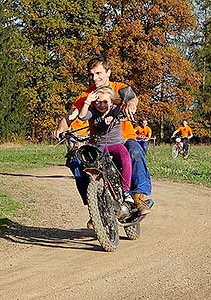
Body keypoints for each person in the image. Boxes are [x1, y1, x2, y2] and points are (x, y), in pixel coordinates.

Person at [54, 56, 151, 224]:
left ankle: (138, 197)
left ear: (108, 72)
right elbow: (71, 116)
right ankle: (95, 207)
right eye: (92, 74)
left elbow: (132, 96)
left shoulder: (118, 88)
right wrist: (60, 130)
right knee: (76, 161)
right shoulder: (86, 95)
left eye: (99, 73)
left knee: (135, 151)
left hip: (124, 138)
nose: (95, 78)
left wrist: (130, 103)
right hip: (98, 141)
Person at [78, 86, 138, 212]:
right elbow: (82, 116)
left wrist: (119, 115)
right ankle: (97, 198)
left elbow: (126, 113)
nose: (101, 105)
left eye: (105, 102)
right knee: (90, 163)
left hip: (116, 144)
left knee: (126, 158)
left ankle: (126, 190)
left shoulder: (116, 109)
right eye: (98, 102)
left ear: (111, 101)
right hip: (100, 146)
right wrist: (87, 101)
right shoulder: (93, 112)